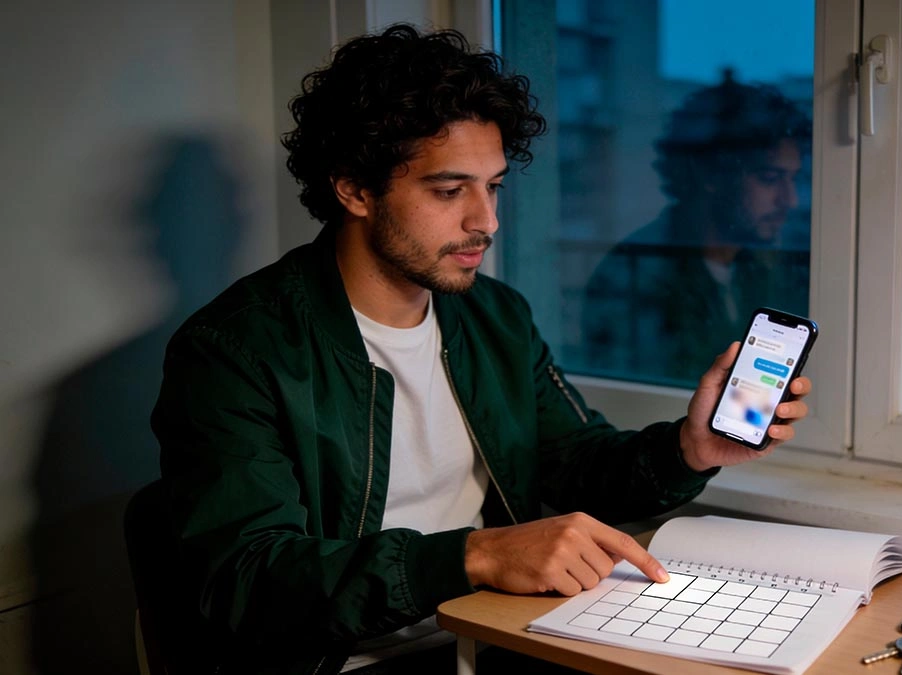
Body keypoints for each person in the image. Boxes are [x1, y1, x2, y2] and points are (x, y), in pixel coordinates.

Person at [150, 23, 813, 675]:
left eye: (492, 186)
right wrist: (475, 555)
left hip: (504, 637)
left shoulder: (494, 316)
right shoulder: (234, 348)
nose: (486, 221)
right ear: (353, 187)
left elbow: (575, 461)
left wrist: (689, 448)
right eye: (449, 190)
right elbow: (248, 580)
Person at [581, 72, 811, 385]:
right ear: (713, 175)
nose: (790, 200)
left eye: (793, 178)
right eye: (769, 178)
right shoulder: (636, 273)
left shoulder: (764, 267)